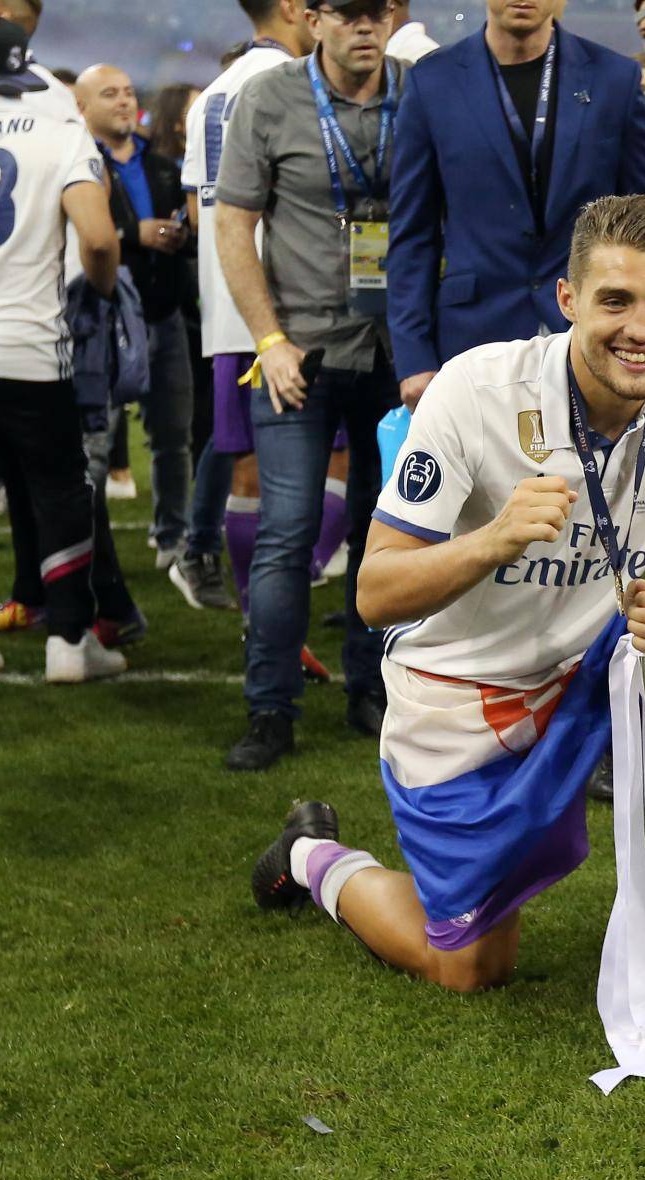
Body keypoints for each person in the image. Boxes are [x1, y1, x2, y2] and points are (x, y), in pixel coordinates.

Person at [250, 195, 645, 1000]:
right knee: (469, 967)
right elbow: (377, 590)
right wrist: (493, 539)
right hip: (466, 694)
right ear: (567, 300)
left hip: (596, 660)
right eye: (615, 301)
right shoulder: (477, 390)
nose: (641, 328)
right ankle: (314, 859)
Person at [214, 0, 408, 768]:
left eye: (379, 11)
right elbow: (234, 223)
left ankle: (372, 685)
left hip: (397, 354)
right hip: (299, 353)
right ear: (313, 17)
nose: (366, 26)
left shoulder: (420, 91)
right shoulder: (267, 98)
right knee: (287, 531)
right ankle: (270, 707)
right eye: (348, 12)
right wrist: (270, 339)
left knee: (384, 529)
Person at [388, 0, 645, 411]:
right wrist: (413, 358)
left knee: (592, 476)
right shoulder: (432, 83)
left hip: (594, 334)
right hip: (472, 339)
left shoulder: (614, 79)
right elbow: (412, 236)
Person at [0, 16, 125, 684]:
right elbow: (101, 238)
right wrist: (104, 290)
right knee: (58, 492)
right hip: (33, 349)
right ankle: (68, 640)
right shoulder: (61, 134)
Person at [171, 0, 317, 621]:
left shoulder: (210, 95)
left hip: (232, 307)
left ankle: (263, 618)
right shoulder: (292, 85)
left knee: (248, 471)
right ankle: (275, 608)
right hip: (289, 306)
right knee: (330, 459)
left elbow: (206, 214)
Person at [77, 64, 195, 572]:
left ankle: (173, 538)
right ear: (82, 108)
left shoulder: (164, 166)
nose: (125, 101)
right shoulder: (78, 162)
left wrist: (178, 235)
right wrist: (134, 235)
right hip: (101, 318)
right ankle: (86, 552)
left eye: (128, 91)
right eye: (110, 94)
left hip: (163, 314)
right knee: (94, 446)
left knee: (173, 436)